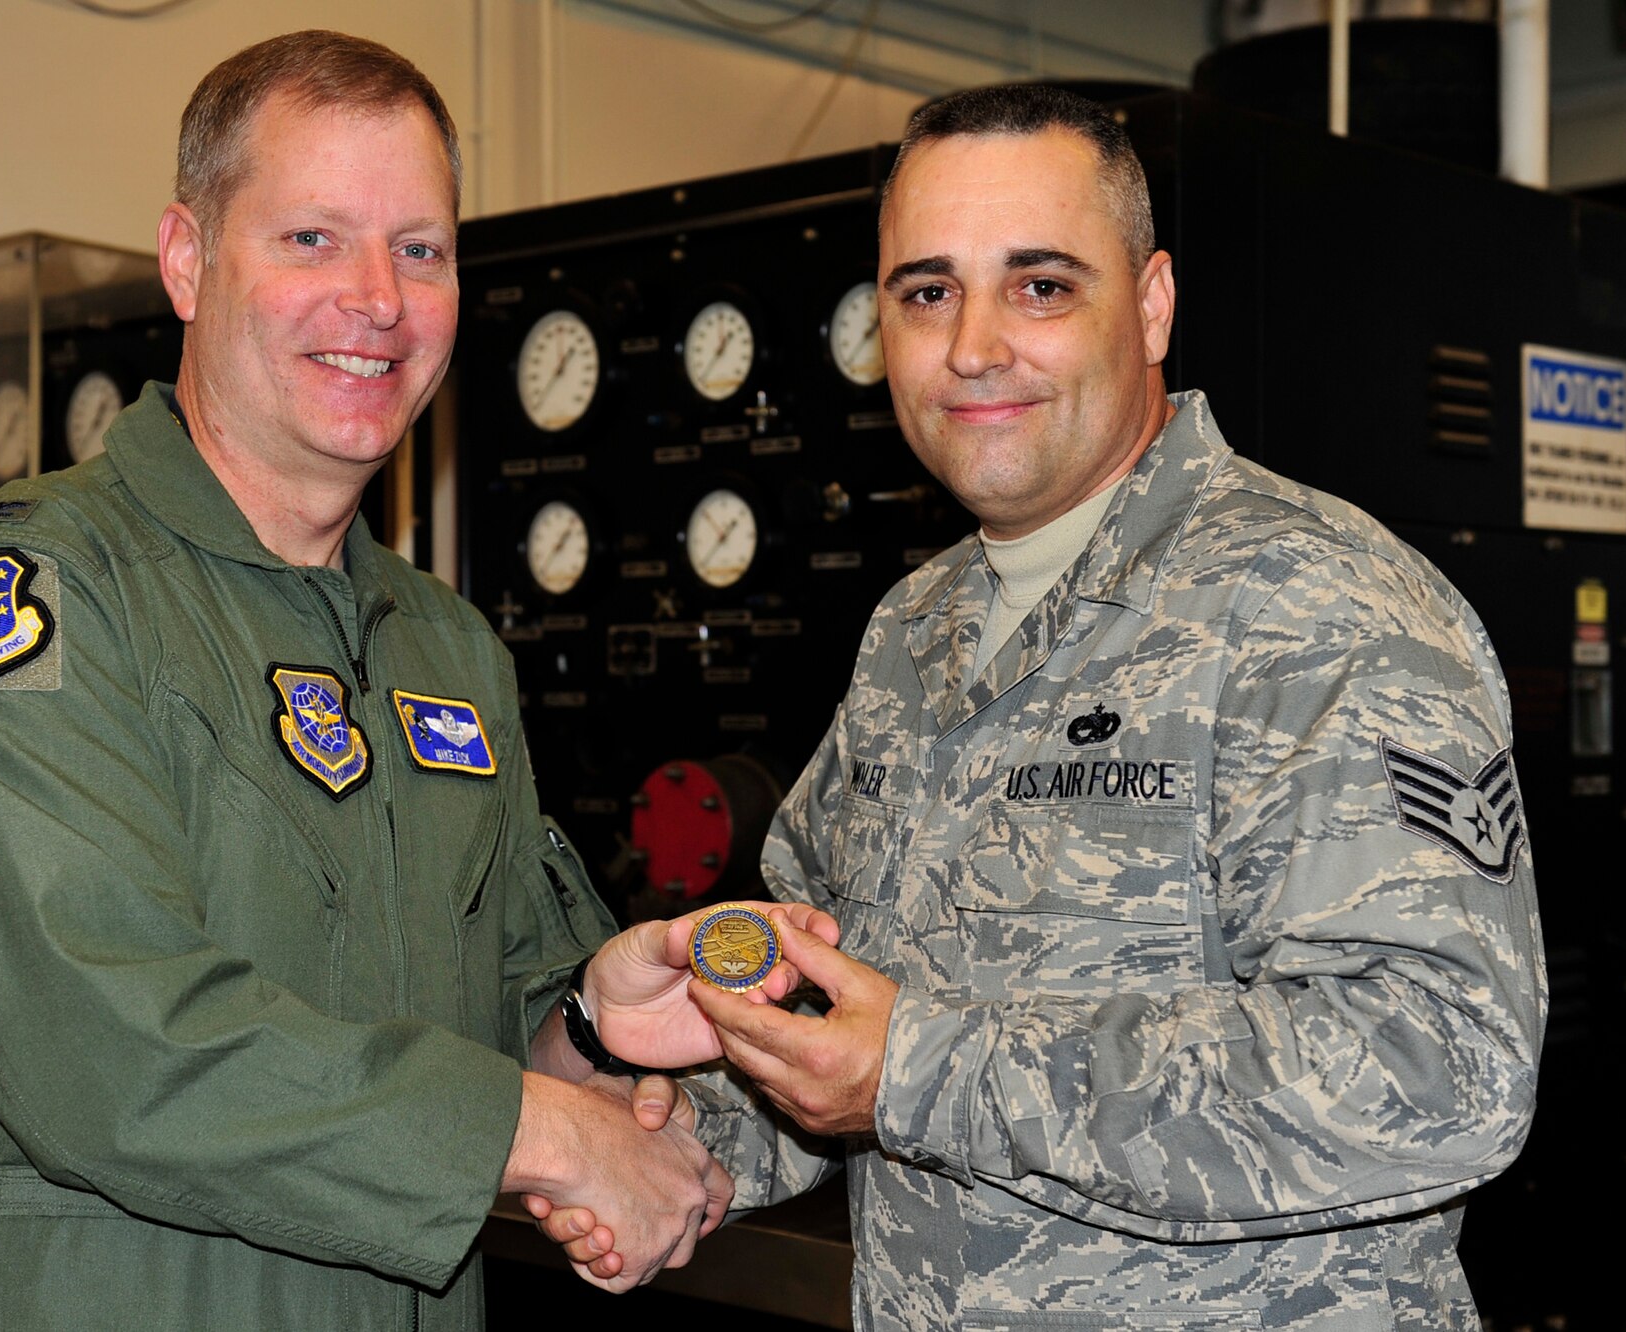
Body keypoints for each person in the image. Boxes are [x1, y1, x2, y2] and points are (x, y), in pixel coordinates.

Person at [0, 30, 828, 1329]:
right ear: (187, 261)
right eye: (311, 240)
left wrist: (592, 1025)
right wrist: (559, 1141)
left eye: (421, 249)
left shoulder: (441, 646)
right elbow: (112, 1053)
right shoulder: (32, 603)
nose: (378, 299)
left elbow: (484, 1038)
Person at [549, 85, 1547, 1328]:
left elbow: (1440, 1072)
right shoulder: (916, 634)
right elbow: (831, 1013)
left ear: (1150, 304)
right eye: (925, 292)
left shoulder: (1317, 608)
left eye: (1039, 286)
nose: (972, 345)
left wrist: (921, 1068)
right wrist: (672, 1155)